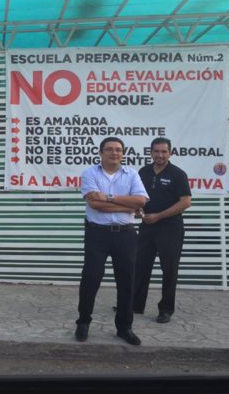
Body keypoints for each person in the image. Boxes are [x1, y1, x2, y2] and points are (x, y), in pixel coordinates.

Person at [75, 137, 148, 345]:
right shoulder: (90, 173)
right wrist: (127, 206)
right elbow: (95, 205)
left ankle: (124, 327)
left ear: (123, 153)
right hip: (97, 234)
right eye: (109, 150)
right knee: (91, 278)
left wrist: (106, 198)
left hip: (125, 234)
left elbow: (141, 201)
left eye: (118, 150)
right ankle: (83, 322)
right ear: (101, 153)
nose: (114, 153)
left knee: (126, 281)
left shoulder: (132, 174)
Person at [133, 137, 191, 324]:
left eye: (164, 151)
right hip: (147, 227)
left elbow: (185, 202)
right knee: (140, 266)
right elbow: (138, 197)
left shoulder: (177, 174)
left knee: (169, 270)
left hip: (170, 228)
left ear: (170, 153)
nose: (160, 155)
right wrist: (139, 211)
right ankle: (136, 304)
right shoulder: (143, 172)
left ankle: (166, 309)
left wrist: (158, 216)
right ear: (150, 152)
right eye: (156, 151)